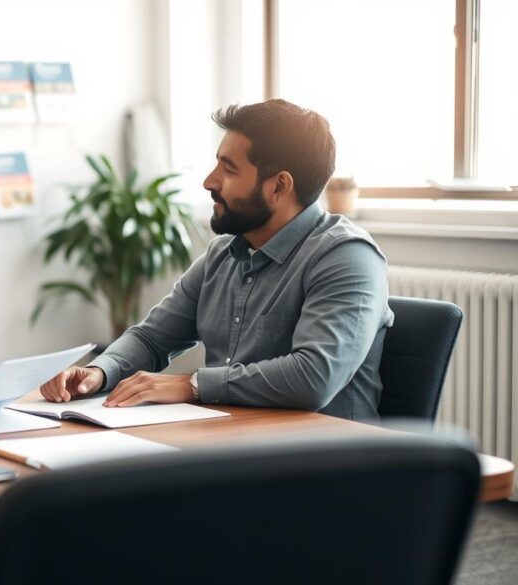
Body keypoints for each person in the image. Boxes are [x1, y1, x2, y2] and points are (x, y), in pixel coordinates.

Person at [40, 99, 393, 421]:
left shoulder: (347, 257)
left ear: (279, 186)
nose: (210, 181)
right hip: (234, 447)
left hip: (329, 467)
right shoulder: (223, 254)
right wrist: (100, 372)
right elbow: (152, 339)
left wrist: (193, 385)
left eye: (229, 169)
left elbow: (314, 377)